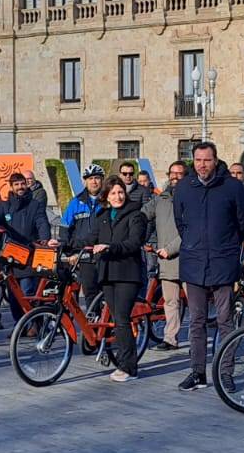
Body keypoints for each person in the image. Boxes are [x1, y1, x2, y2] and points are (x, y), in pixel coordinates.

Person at [173, 141, 244, 391]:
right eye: (198, 160)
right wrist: (193, 242)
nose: (202, 164)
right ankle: (197, 372)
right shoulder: (184, 187)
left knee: (225, 320)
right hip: (193, 262)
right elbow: (180, 222)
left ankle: (225, 372)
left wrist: (228, 246)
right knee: (196, 321)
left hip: (223, 262)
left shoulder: (232, 186)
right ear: (193, 160)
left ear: (215, 160)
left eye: (207, 160)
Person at [86, 176, 149, 381]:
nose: (117, 196)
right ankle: (122, 359)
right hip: (107, 273)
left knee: (122, 318)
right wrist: (63, 243)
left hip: (127, 273)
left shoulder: (135, 215)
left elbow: (134, 242)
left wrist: (111, 247)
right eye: (113, 193)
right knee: (116, 319)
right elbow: (90, 238)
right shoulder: (103, 215)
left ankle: (129, 367)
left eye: (120, 192)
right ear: (106, 196)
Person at [0, 172, 55, 319]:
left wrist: (45, 239)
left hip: (30, 256)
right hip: (11, 257)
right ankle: (20, 326)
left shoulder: (35, 204)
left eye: (22, 183)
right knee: (13, 296)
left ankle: (31, 325)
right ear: (11, 187)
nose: (20, 187)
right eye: (16, 184)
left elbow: (42, 222)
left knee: (27, 293)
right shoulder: (4, 206)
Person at [146, 161, 187, 351]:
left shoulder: (191, 198)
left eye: (179, 173)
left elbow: (190, 231)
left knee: (196, 305)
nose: (175, 177)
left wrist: (170, 249)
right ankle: (171, 338)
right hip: (166, 261)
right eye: (172, 173)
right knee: (170, 302)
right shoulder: (160, 199)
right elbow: (142, 215)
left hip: (187, 259)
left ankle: (198, 341)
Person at [61, 164, 107, 300]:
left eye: (97, 178)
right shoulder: (75, 202)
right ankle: (92, 319)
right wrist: (68, 250)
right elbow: (65, 228)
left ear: (102, 180)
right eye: (91, 178)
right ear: (85, 181)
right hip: (82, 255)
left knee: (105, 293)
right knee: (89, 292)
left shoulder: (108, 201)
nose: (94, 181)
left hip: (103, 254)